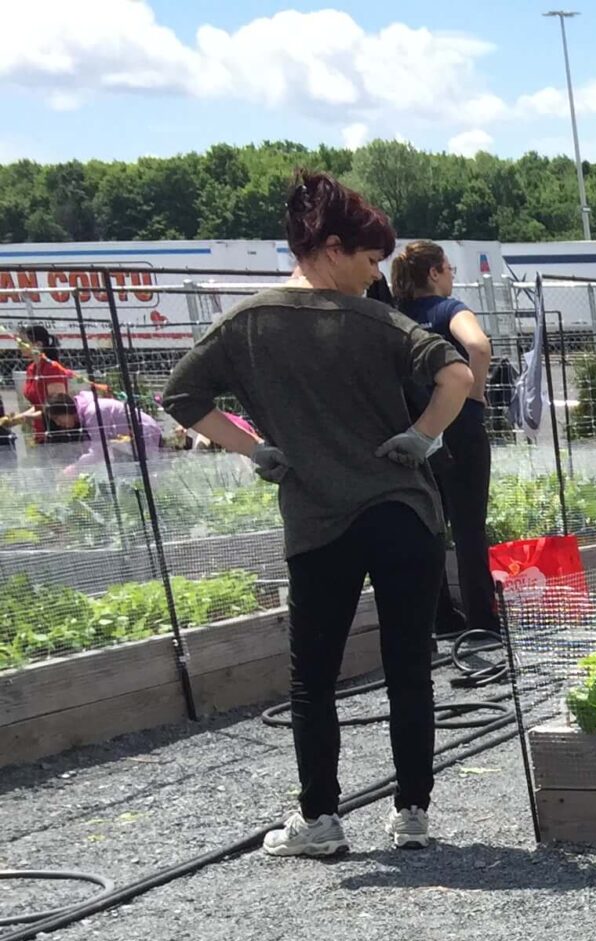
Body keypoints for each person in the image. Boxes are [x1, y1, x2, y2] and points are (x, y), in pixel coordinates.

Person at [160, 170, 474, 858]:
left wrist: (256, 449)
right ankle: (413, 813)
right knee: (408, 666)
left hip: (317, 519)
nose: (374, 275)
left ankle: (320, 820)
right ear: (331, 248)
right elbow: (459, 373)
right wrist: (423, 434)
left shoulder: (247, 324)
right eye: (368, 260)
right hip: (403, 511)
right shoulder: (379, 321)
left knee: (315, 677)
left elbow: (181, 396)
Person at [389, 241, 499, 640]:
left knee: (429, 526)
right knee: (470, 528)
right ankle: (482, 623)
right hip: (460, 428)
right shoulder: (448, 310)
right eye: (448, 269)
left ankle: (441, 619)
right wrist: (475, 391)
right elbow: (477, 346)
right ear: (434, 273)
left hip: (417, 430)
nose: (452, 275)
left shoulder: (395, 317)